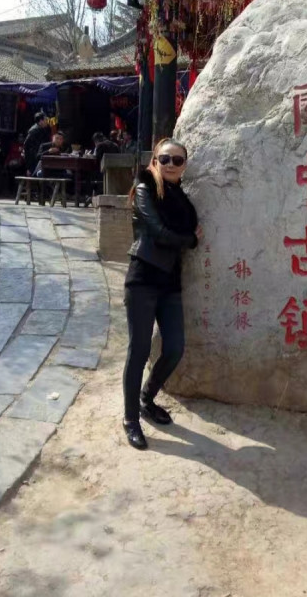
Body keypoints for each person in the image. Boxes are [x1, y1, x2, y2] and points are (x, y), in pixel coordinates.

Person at [123, 138, 202, 450]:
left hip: (170, 283)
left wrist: (185, 237)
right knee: (139, 351)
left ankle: (147, 397)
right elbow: (157, 232)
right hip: (143, 280)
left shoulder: (181, 198)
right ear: (155, 161)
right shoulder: (144, 189)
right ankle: (131, 419)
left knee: (175, 348)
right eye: (165, 159)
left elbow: (181, 232)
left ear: (184, 166)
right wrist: (190, 240)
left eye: (177, 160)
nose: (170, 164)